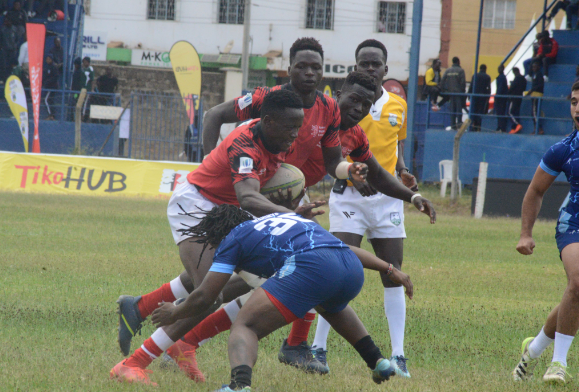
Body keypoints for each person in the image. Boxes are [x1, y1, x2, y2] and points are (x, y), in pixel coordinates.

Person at [114, 37, 368, 375]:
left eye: (316, 67)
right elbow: (219, 120)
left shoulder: (312, 116)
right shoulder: (254, 127)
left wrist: (348, 171)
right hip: (200, 204)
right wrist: (212, 161)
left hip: (245, 203)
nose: (297, 135)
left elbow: (331, 161)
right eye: (302, 66)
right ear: (288, 68)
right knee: (210, 293)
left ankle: (154, 317)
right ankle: (138, 361)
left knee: (265, 278)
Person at [175, 70, 436, 381]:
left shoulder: (352, 135)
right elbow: (218, 115)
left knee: (296, 266)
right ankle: (177, 334)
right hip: (253, 196)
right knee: (242, 276)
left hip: (284, 201)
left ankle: (294, 344)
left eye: (366, 103)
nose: (359, 108)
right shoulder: (284, 104)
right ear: (338, 94)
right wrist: (210, 159)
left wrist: (412, 196)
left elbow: (361, 170)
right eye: (353, 100)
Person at [112, 205, 414, 389]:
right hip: (349, 269)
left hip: (312, 266)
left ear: (218, 235)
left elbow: (206, 295)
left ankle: (239, 386)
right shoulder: (285, 221)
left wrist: (174, 313)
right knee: (331, 306)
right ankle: (378, 362)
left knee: (247, 325)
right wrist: (390, 269)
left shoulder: (232, 239)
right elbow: (345, 249)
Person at [512, 81, 579, 384]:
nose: (578, 109)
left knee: (575, 296)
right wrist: (525, 233)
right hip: (573, 225)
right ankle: (559, 364)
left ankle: (533, 348)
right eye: (575, 102)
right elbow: (535, 191)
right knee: (578, 283)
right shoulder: (563, 149)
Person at [440, 56, 466, 130]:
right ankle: (459, 125)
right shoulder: (461, 71)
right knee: (458, 110)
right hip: (458, 94)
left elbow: (442, 81)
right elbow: (463, 83)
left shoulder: (448, 70)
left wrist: (444, 90)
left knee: (452, 110)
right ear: (458, 62)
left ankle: (453, 126)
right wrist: (463, 93)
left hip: (450, 94)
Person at [468, 64, 491, 132]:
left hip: (474, 97)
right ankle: (479, 126)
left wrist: (469, 95)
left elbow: (471, 86)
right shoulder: (487, 77)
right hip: (483, 98)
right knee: (480, 112)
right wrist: (488, 97)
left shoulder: (474, 76)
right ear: (485, 69)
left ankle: (473, 126)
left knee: (474, 111)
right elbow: (488, 88)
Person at [526, 61, 545, 134]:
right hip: (535, 95)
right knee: (534, 112)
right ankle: (537, 128)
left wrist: (532, 90)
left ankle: (538, 129)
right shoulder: (535, 74)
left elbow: (540, 85)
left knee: (534, 112)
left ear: (538, 67)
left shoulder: (539, 74)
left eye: (535, 67)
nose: (533, 68)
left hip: (536, 96)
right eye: (532, 67)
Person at [508, 67, 527, 134]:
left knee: (510, 112)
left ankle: (517, 124)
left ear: (514, 72)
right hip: (520, 97)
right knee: (516, 112)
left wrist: (509, 92)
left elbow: (512, 88)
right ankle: (514, 128)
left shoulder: (516, 78)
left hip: (514, 97)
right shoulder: (524, 79)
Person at [43, 54, 58, 120]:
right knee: (50, 100)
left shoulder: (54, 67)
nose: (48, 60)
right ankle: (52, 115)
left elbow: (55, 77)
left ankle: (51, 115)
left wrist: (48, 82)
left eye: (49, 59)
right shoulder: (47, 67)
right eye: (47, 59)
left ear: (52, 59)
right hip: (49, 87)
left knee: (47, 99)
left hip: (52, 87)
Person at [495, 64, 509, 132]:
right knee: (500, 113)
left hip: (500, 98)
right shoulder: (502, 77)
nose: (498, 70)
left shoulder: (501, 77)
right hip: (501, 97)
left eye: (500, 68)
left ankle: (501, 128)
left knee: (500, 113)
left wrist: (497, 96)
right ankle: (500, 127)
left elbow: (500, 88)